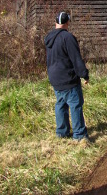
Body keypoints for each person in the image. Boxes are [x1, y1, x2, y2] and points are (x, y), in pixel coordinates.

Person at [44, 11, 90, 143]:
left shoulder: (49, 38)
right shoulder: (68, 37)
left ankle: (62, 133)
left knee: (61, 104)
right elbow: (75, 59)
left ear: (56, 22)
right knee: (75, 104)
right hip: (67, 77)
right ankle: (79, 135)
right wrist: (84, 74)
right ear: (67, 22)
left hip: (54, 78)